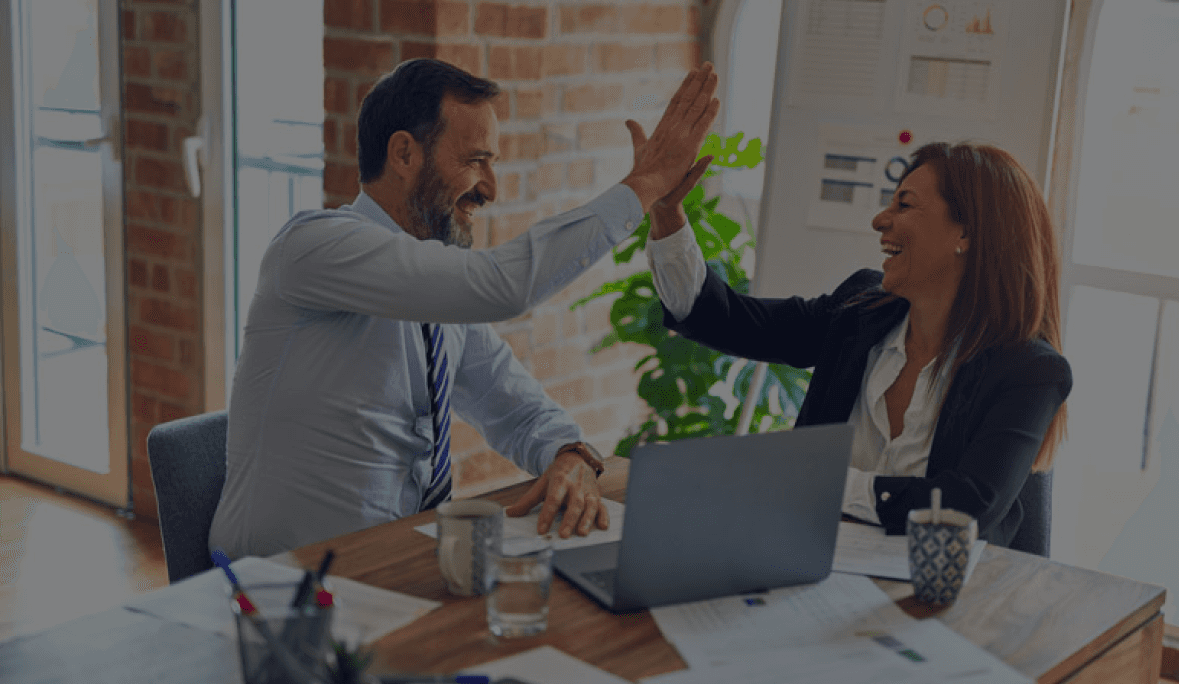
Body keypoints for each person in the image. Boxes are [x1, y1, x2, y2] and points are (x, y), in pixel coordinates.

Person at [209, 58, 720, 558]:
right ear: (404, 155)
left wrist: (569, 454)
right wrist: (646, 183)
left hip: (394, 567)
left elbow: (514, 407)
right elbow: (503, 285)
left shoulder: (436, 295)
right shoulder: (314, 247)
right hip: (278, 588)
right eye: (476, 160)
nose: (490, 189)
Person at [644, 141, 1071, 547]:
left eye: (904, 204)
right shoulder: (860, 311)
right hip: (812, 568)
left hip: (947, 602)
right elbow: (729, 320)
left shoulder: (1028, 371)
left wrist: (820, 481)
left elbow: (965, 507)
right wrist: (667, 214)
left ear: (966, 234)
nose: (880, 220)